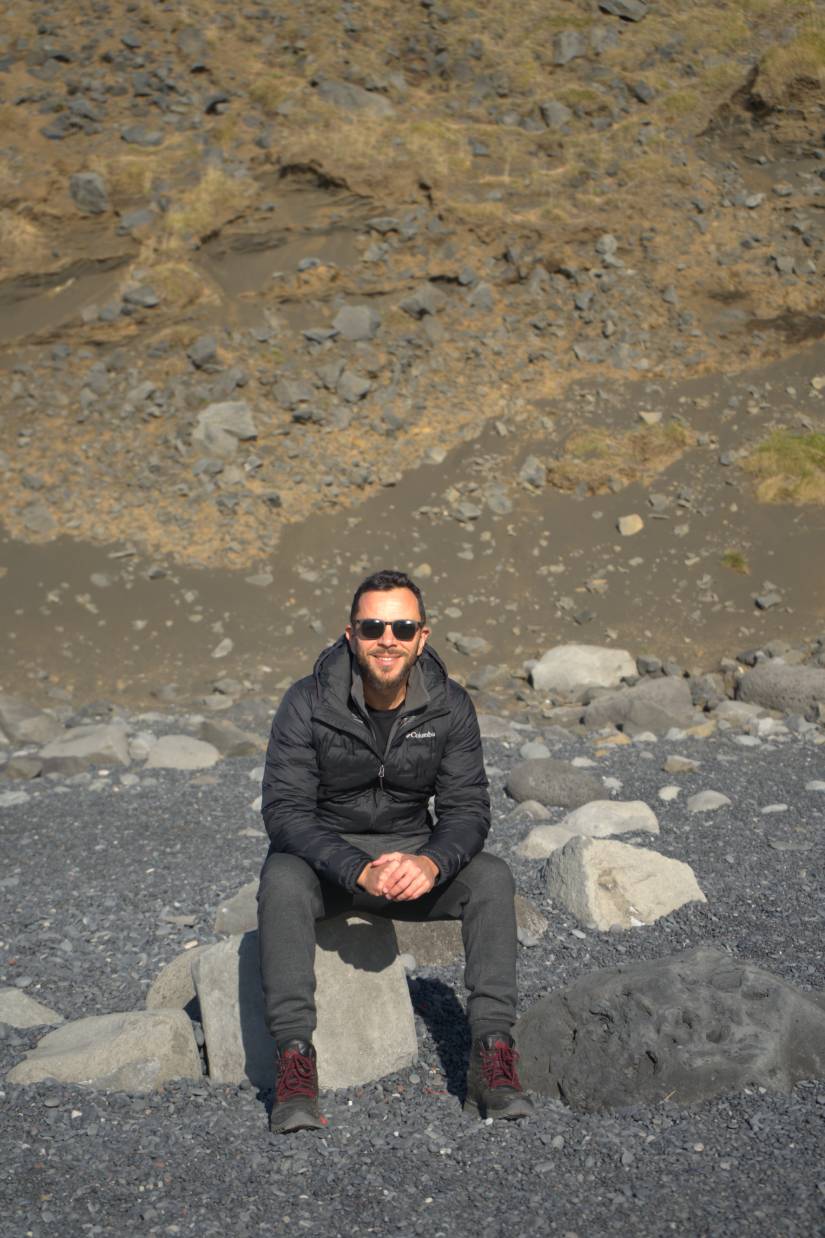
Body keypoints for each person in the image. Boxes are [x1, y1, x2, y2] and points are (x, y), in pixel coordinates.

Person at [258, 568, 533, 1134]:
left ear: (422, 637)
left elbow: (468, 811)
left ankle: (493, 1058)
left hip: (413, 861)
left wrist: (430, 862)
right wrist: (355, 869)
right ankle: (294, 1064)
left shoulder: (450, 706)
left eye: (402, 626)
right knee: (281, 879)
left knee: (491, 878)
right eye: (374, 626)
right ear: (352, 634)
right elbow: (285, 812)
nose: (388, 638)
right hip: (328, 865)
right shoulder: (306, 702)